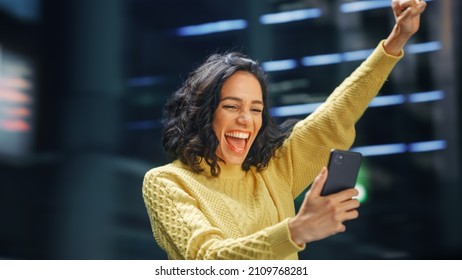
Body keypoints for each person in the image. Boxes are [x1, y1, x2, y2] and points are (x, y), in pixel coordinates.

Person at [142, 0, 427, 260]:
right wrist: (296, 231)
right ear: (203, 113)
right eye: (231, 106)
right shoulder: (166, 182)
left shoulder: (273, 170)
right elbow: (208, 259)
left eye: (256, 109)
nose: (246, 119)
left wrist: (396, 40)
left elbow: (337, 114)